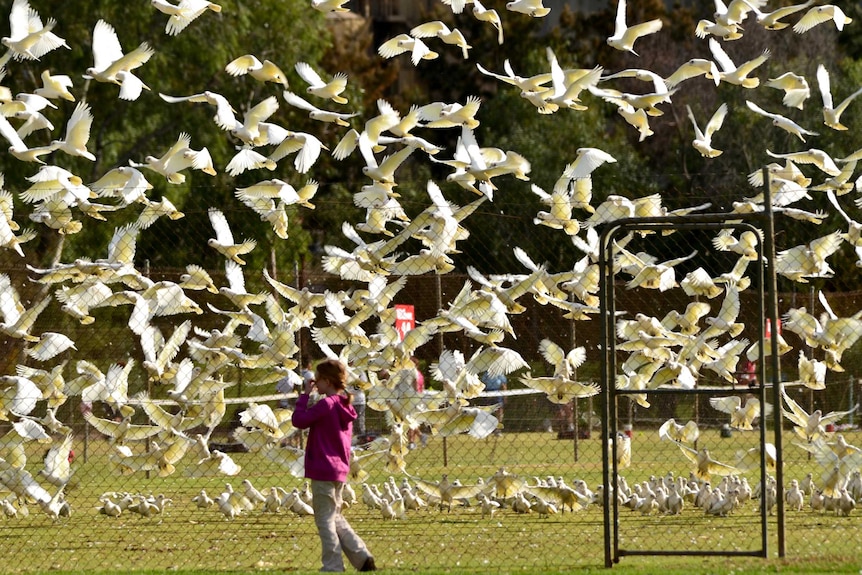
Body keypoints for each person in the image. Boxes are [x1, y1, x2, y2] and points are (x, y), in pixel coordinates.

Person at [291, 359, 376, 573]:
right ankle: (362, 557)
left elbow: (299, 421)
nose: (315, 383)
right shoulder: (343, 404)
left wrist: (305, 396)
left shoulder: (326, 404)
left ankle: (333, 565)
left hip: (323, 468)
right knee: (334, 515)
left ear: (327, 381)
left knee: (325, 519)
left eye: (317, 380)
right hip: (338, 469)